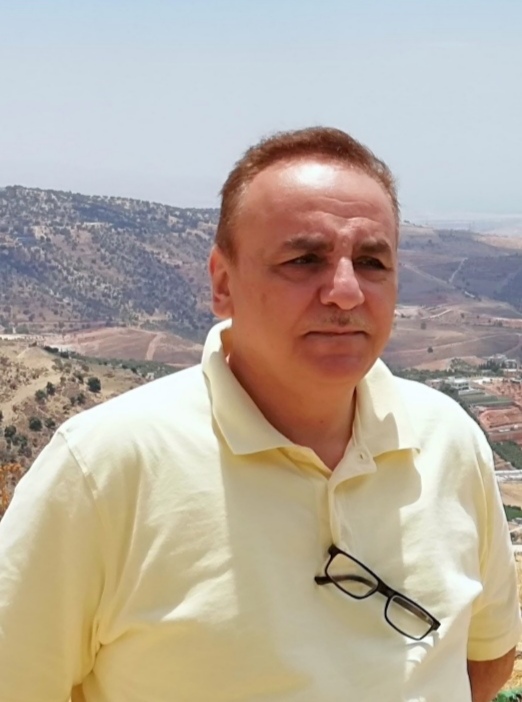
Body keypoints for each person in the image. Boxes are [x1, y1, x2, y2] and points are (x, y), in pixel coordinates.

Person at [0, 127, 520, 702]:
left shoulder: (448, 438)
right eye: (304, 260)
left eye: (372, 261)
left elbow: (486, 656)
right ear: (223, 283)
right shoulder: (105, 467)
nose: (345, 291)